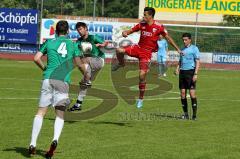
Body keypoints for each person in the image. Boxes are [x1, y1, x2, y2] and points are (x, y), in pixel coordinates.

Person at [28, 20, 86, 158]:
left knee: (41, 112)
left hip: (48, 79)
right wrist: (86, 76)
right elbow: (79, 63)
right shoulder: (73, 44)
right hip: (62, 81)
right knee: (60, 114)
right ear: (67, 31)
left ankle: (33, 143)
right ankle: (54, 140)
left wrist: (44, 69)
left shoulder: (49, 42)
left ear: (55, 30)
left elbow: (36, 58)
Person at [112, 7, 182, 108]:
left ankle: (140, 98)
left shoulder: (158, 27)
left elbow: (168, 38)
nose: (143, 16)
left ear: (150, 16)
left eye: (145, 15)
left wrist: (178, 49)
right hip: (138, 48)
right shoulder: (142, 24)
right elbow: (130, 30)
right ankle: (121, 63)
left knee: (141, 76)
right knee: (119, 50)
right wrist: (125, 33)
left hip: (146, 53)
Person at [69, 22, 108, 111]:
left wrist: (102, 45)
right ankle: (78, 104)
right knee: (84, 84)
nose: (79, 31)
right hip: (90, 65)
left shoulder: (93, 37)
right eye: (78, 30)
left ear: (86, 28)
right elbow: (75, 49)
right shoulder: (79, 41)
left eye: (81, 29)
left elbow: (105, 43)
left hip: (98, 60)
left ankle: (88, 80)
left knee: (80, 59)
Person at [175, 33, 200, 120]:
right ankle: (185, 114)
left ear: (190, 40)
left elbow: (197, 61)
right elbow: (180, 60)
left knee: (192, 93)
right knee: (182, 93)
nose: (184, 41)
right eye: (183, 40)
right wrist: (177, 68)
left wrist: (195, 74)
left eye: (185, 40)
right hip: (182, 72)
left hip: (190, 72)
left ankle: (194, 115)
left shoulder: (194, 49)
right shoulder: (182, 49)